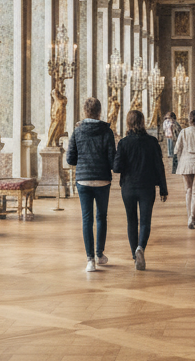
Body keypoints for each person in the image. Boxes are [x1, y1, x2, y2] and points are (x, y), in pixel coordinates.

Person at [65, 96, 117, 272]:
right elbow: (112, 160)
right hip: (102, 179)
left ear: (85, 111)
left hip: (83, 179)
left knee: (86, 219)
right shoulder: (106, 132)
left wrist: (83, 160)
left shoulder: (77, 132)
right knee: (101, 217)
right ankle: (100, 254)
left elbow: (70, 159)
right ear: (99, 111)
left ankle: (90, 261)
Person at [112, 109, 168, 270]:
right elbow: (159, 166)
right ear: (143, 122)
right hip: (147, 187)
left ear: (128, 123)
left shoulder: (123, 143)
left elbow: (116, 168)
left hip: (128, 187)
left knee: (131, 221)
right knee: (145, 221)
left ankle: (134, 256)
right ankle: (140, 248)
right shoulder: (152, 142)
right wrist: (163, 188)